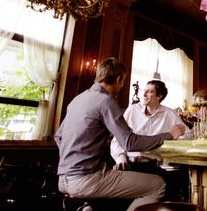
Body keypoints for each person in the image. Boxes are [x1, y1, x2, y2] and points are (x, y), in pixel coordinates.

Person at [55, 58, 186, 211]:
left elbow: (59, 137)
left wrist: (76, 159)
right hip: (86, 179)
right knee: (158, 185)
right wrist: (169, 134)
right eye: (123, 81)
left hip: (63, 179)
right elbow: (130, 143)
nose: (122, 86)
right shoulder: (106, 101)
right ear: (118, 79)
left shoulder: (78, 99)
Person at [110, 80, 192, 201]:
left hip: (154, 166)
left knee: (174, 187)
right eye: (145, 90)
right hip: (129, 165)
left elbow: (189, 135)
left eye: (149, 91)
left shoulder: (169, 113)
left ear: (159, 96)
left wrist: (177, 136)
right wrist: (120, 158)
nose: (144, 94)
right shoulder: (132, 110)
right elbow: (118, 138)